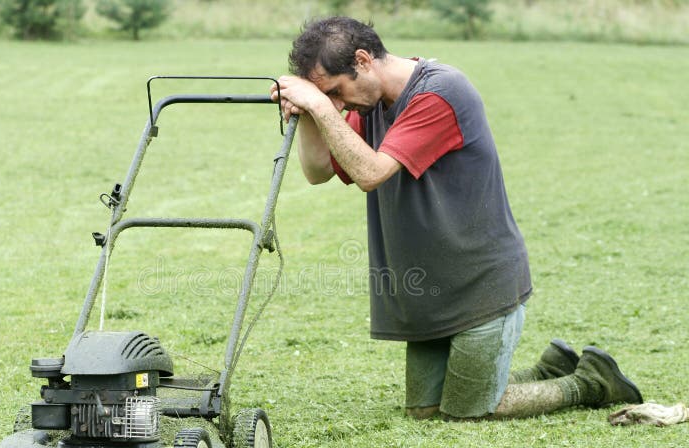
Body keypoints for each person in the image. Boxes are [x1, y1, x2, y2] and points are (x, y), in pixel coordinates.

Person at [271, 16, 642, 420]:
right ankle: (548, 369)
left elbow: (370, 172)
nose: (338, 104)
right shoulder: (371, 103)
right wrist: (308, 115)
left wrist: (321, 106)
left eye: (338, 91)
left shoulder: (441, 92)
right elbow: (318, 171)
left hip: (481, 288)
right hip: (434, 294)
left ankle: (590, 382)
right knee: (426, 411)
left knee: (469, 411)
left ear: (363, 61)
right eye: (329, 96)